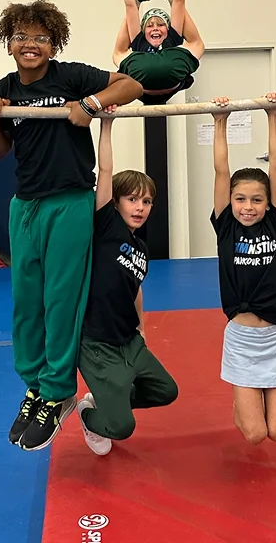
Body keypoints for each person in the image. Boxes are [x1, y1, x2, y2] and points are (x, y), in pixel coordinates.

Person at [0, 0, 142, 452]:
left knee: (60, 300)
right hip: (25, 205)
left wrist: (91, 103)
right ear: (9, 43)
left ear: (54, 45)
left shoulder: (70, 76)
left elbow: (131, 84)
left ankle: (57, 392)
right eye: (21, 36)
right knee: (26, 301)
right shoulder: (4, 87)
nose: (30, 44)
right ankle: (35, 386)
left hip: (69, 202)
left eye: (40, 37)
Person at [75, 116, 179, 456]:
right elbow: (105, 171)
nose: (140, 207)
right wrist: (106, 125)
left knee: (166, 390)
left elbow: (135, 286)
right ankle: (90, 416)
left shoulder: (141, 248)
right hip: (98, 344)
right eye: (132, 199)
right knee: (122, 428)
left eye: (146, 202)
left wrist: (142, 327)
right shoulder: (106, 227)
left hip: (129, 340)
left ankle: (108, 401)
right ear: (116, 202)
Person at [210, 92, 276, 445]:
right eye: (240, 199)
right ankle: (242, 406)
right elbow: (221, 170)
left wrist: (274, 116)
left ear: (268, 203)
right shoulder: (225, 226)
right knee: (256, 434)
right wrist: (220, 121)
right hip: (242, 340)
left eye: (257, 200)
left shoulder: (275, 222)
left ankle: (250, 406)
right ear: (230, 201)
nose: (248, 207)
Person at [113, 0, 204, 105]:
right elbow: (129, 8)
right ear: (143, 31)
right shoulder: (139, 42)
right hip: (143, 79)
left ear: (167, 29)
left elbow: (179, 2)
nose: (155, 28)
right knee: (120, 50)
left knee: (196, 43)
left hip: (162, 77)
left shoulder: (172, 39)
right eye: (149, 26)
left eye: (161, 25)